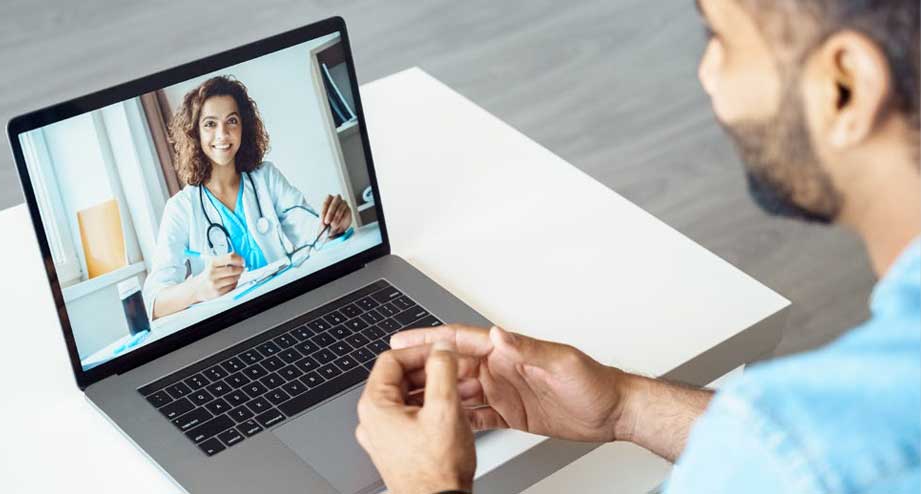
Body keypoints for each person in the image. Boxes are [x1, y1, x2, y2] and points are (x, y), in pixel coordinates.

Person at [355, 0, 920, 492]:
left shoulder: (782, 458)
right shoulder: (815, 435)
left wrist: (431, 486)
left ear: (846, 85)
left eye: (719, 38)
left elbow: (801, 460)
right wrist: (624, 406)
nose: (708, 74)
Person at [143, 76, 352, 319]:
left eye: (231, 121)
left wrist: (334, 224)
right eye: (210, 124)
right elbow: (154, 302)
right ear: (195, 133)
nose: (223, 134)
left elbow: (311, 230)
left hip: (289, 306)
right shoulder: (180, 208)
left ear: (244, 126)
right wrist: (198, 288)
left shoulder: (266, 178)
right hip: (232, 326)